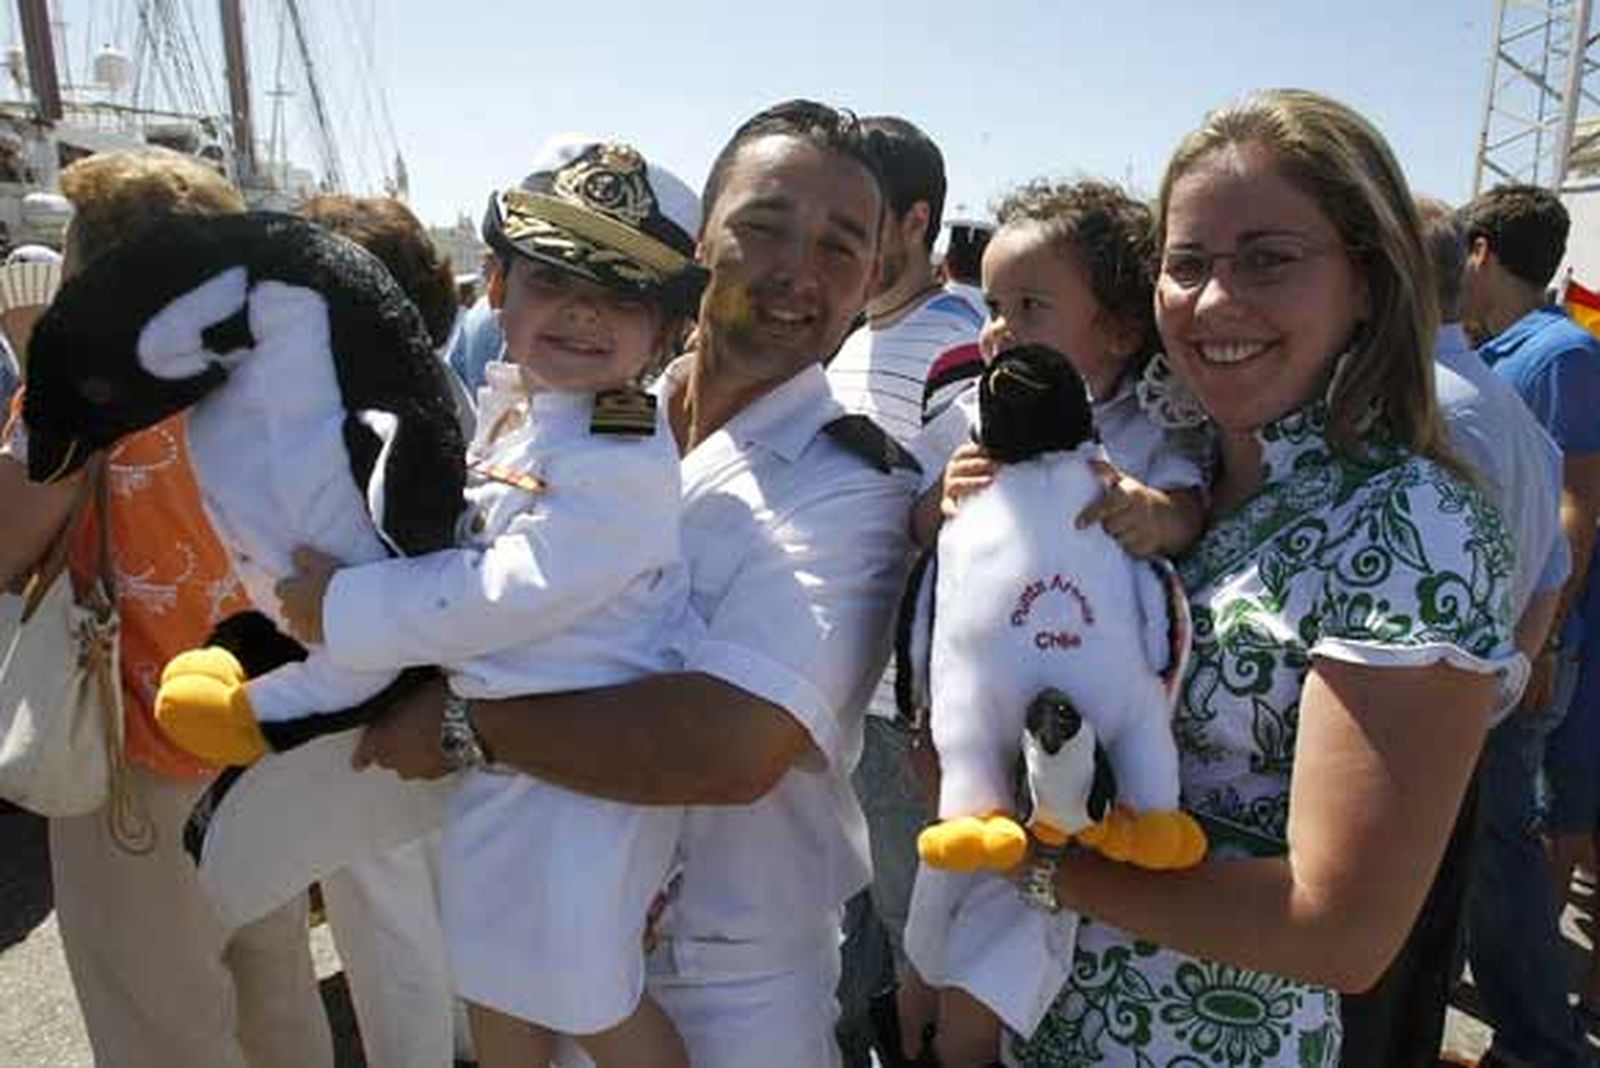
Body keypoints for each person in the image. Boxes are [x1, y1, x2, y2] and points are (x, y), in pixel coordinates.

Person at [346, 99, 920, 1068]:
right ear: (701, 247)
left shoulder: (855, 488)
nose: (797, 272)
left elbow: (730, 746)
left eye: (838, 249)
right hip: (530, 940)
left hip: (723, 998)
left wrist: (462, 729)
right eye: (766, 228)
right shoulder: (578, 416)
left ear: (871, 278)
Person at [1003, 89, 1517, 1067]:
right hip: (1034, 1019)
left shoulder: (1415, 524)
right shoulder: (1170, 472)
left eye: (1268, 260)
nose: (1213, 300)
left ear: (1367, 281)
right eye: (1186, 264)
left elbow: (1337, 929)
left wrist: (1029, 860)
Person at [281, 140, 706, 1068]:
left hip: (581, 785)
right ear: (497, 284)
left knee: (592, 997)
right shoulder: (528, 411)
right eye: (553, 278)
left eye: (624, 295)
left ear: (667, 333)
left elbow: (505, 590)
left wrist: (346, 606)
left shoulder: (620, 459)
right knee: (491, 976)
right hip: (502, 769)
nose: (584, 311)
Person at [0, 148, 334, 1068]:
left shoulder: (76, 392)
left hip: (136, 747)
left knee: (160, 1022)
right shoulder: (277, 381)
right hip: (264, 735)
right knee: (277, 995)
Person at [905, 178, 1211, 1066]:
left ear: (1118, 328)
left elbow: (1191, 509)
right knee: (930, 934)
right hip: (975, 738)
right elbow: (919, 530)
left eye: (1031, 307)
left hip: (1072, 752)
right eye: (994, 305)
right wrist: (943, 501)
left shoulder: (1144, 431)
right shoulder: (976, 421)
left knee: (985, 980)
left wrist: (1156, 515)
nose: (998, 328)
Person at [1336, 196, 1569, 1067]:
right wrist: (1496, 684)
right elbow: (1548, 572)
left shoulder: (1402, 413)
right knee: (1421, 962)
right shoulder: (1510, 414)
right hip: (1464, 730)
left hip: (1386, 741)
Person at [821, 113, 983, 1068]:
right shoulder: (854, 336)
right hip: (848, 689)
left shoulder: (954, 347)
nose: (833, 243)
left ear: (916, 221)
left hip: (901, 706)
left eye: (857, 220)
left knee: (912, 927)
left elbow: (966, 530)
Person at [295, 192, 471, 1068]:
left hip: (363, 702)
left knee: (388, 930)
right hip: (448, 691)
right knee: (450, 909)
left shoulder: (335, 416)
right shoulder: (444, 389)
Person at [1458, 181, 1600, 1068]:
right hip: (1503, 642)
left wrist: (1539, 638)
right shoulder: (1514, 351)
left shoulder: (1559, 358)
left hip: (1525, 645)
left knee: (1502, 848)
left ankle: (1542, 1045)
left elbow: (1578, 506)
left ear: (1480, 251)